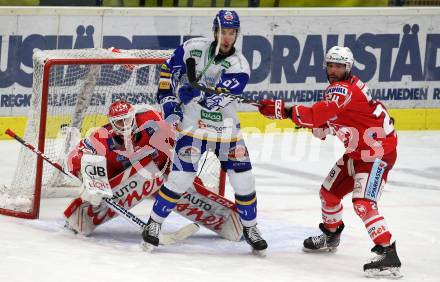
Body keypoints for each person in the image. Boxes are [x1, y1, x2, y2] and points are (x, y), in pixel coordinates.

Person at [257, 46, 402, 277]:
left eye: (339, 66)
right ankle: (331, 235)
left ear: (349, 68)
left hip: (377, 155)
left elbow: (317, 114)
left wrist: (283, 111)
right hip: (358, 151)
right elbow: (337, 117)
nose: (334, 70)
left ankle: (388, 252)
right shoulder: (344, 88)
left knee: (363, 203)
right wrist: (324, 127)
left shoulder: (343, 91)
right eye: (330, 65)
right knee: (329, 194)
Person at [141, 9, 268, 254]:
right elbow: (168, 72)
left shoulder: (239, 66)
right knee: (181, 178)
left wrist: (196, 93)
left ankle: (251, 228)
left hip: (226, 132)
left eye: (232, 33)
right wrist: (169, 102)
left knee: (244, 180)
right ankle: (154, 224)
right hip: (193, 128)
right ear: (215, 31)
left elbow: (213, 101)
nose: (227, 38)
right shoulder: (193, 48)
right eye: (223, 32)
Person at [63, 100, 172, 236]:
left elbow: (175, 131)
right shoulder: (102, 137)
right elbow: (73, 157)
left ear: (133, 116)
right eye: (119, 122)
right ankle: (81, 215)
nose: (125, 125)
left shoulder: (151, 120)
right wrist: (90, 179)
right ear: (112, 124)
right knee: (93, 163)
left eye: (127, 120)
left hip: (160, 171)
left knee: (181, 176)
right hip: (119, 180)